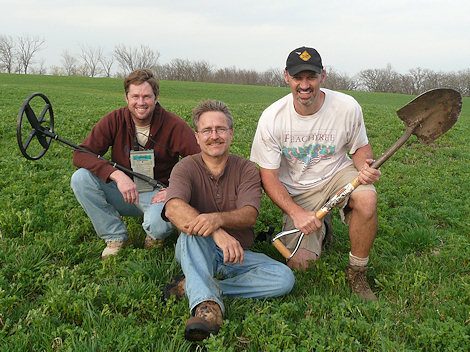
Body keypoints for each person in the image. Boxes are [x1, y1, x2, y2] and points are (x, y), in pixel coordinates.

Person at [250, 47, 381, 300]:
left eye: (311, 77)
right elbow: (268, 176)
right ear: (286, 77)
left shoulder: (346, 106)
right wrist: (296, 213)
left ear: (323, 76)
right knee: (301, 265)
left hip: (336, 175)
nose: (305, 85)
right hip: (298, 190)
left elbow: (360, 147)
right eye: (298, 78)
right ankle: (323, 226)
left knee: (367, 199)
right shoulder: (272, 118)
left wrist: (365, 166)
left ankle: (357, 272)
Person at [163, 100, 294, 341]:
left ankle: (193, 286)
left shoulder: (246, 169)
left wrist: (216, 219)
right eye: (207, 130)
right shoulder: (185, 167)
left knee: (284, 278)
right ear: (197, 136)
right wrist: (216, 231)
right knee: (190, 233)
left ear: (231, 133)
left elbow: (249, 214)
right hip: (197, 249)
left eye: (220, 129)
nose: (214, 136)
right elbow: (173, 208)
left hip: (236, 254)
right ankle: (207, 310)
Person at [71, 69, 200, 259]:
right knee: (80, 178)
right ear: (126, 98)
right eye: (135, 96)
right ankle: (115, 235)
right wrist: (116, 175)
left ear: (156, 98)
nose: (141, 103)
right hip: (123, 190)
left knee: (159, 224)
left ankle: (154, 234)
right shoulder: (114, 120)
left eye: (146, 96)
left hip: (157, 194)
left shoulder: (173, 125)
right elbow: (81, 154)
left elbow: (200, 161)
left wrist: (175, 189)